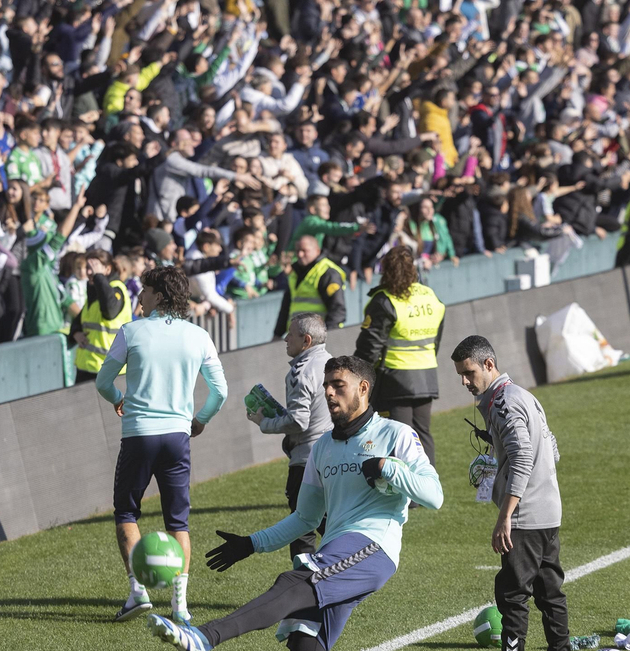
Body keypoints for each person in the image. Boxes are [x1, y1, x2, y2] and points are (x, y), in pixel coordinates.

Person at [147, 355, 443, 651]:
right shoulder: (324, 447)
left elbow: (434, 495)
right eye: (326, 385)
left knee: (298, 578)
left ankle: (205, 636)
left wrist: (388, 469)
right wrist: (251, 543)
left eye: (338, 385)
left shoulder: (396, 435)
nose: (329, 392)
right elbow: (306, 517)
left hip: (375, 548)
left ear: (364, 389)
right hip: (339, 550)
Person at [96, 264, 228, 623]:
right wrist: (199, 420)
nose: (139, 296)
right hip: (176, 436)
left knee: (126, 512)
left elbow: (103, 381)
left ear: (160, 296)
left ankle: (138, 592)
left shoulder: (131, 331)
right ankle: (180, 605)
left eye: (145, 290)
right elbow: (221, 392)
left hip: (139, 434)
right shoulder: (198, 335)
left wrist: (117, 396)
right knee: (178, 523)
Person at [450, 335, 573, 651]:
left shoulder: (503, 403)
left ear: (489, 365)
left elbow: (521, 456)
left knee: (512, 595)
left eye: (469, 372)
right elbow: (550, 446)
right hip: (549, 510)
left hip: (525, 517)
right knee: (550, 593)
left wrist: (506, 513)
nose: (464, 381)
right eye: (459, 374)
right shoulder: (524, 395)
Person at [248, 311, 333, 559]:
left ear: (306, 340)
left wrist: (265, 422)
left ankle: (302, 585)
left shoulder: (301, 371)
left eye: (291, 334)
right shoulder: (333, 363)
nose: (286, 338)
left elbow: (298, 420)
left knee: (302, 529)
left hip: (306, 462)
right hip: (332, 456)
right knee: (331, 524)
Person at [354, 246, 445, 463]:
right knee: (422, 435)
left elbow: (370, 348)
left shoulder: (384, 300)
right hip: (426, 375)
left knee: (398, 437)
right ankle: (426, 491)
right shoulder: (429, 295)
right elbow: (436, 341)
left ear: (385, 270)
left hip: (394, 379)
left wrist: (356, 375)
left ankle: (404, 495)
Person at [73, 249, 132, 383]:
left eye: (93, 267)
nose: (89, 272)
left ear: (107, 269)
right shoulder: (94, 292)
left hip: (110, 373)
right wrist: (76, 332)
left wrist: (99, 276)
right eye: (87, 267)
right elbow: (79, 320)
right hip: (87, 369)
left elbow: (109, 311)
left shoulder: (117, 290)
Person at [273, 234, 346, 339]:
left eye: (304, 250)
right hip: (298, 337)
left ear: (317, 251)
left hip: (317, 337)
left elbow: (337, 309)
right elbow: (286, 308)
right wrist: (277, 335)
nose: (300, 254)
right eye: (297, 250)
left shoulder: (327, 272)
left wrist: (328, 337)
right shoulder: (294, 273)